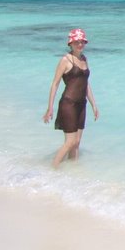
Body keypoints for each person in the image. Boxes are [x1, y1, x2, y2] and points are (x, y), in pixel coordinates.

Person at [44, 28, 99, 168]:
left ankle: (72, 173)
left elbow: (85, 84)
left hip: (82, 104)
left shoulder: (84, 59)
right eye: (77, 42)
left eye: (82, 42)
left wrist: (94, 105)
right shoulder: (65, 60)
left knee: (77, 143)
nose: (80, 45)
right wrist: (49, 108)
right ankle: (52, 169)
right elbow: (55, 84)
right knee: (70, 142)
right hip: (68, 104)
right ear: (71, 43)